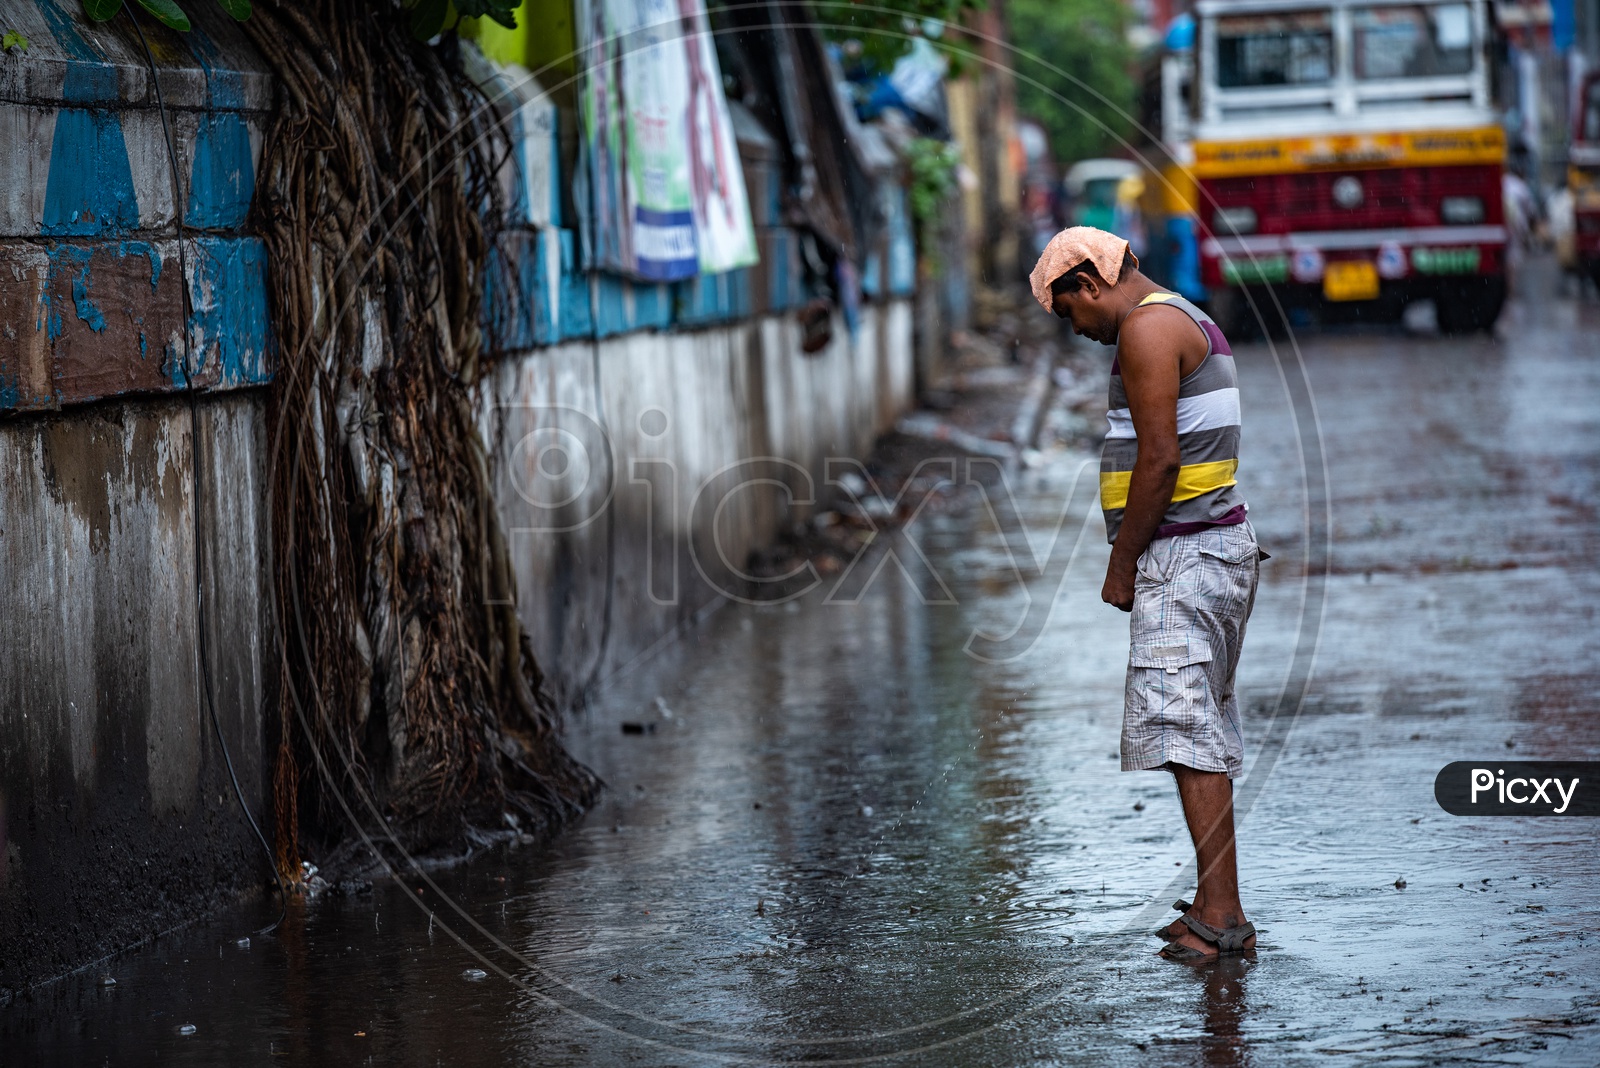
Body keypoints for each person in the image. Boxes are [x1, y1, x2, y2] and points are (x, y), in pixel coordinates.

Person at [1030, 226, 1263, 963]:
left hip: (1184, 554)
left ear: (1090, 284)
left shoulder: (1146, 329)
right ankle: (1215, 901)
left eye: (1071, 314)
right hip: (1215, 547)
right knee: (1198, 728)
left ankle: (1221, 916)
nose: (1081, 332)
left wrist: (1122, 564)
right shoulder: (1182, 316)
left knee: (1184, 728)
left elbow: (1159, 461)